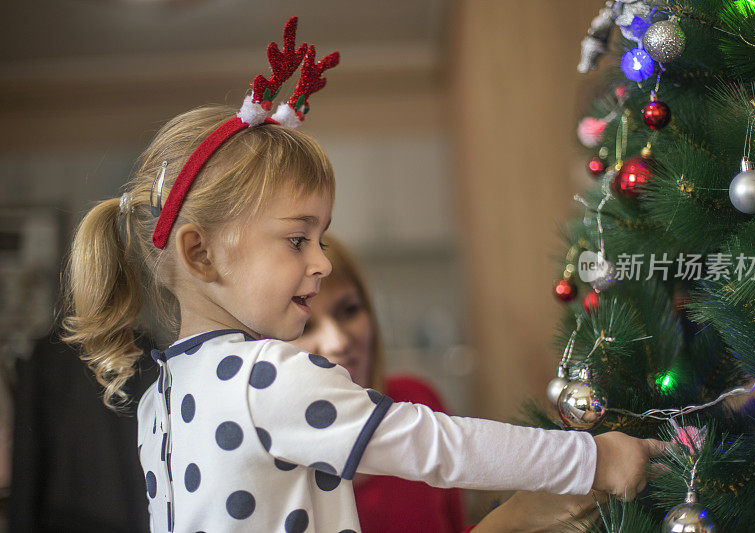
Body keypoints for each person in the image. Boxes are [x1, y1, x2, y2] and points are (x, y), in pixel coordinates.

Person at [60, 17, 665, 533]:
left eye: (320, 239)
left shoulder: (161, 399)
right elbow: (440, 448)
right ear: (200, 254)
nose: (321, 262)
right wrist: (595, 459)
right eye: (298, 239)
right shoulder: (264, 378)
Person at [291, 234, 465, 532]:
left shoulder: (417, 400)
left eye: (349, 311)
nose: (339, 342)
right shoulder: (270, 463)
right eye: (307, 325)